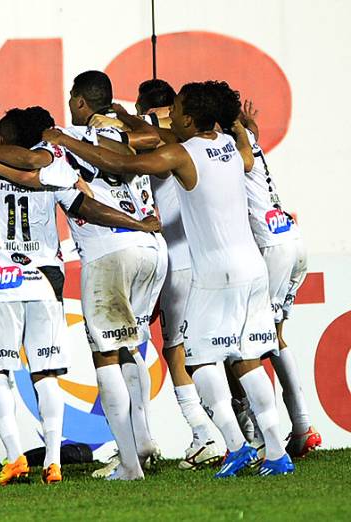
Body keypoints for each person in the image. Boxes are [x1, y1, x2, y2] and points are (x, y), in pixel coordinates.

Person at [43, 80, 294, 477]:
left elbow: (121, 165)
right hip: (253, 269)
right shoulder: (231, 146)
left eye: (176, 108)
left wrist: (65, 141)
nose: (170, 113)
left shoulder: (181, 154)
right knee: (247, 359)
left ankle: (233, 444)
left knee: (199, 360)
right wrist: (241, 125)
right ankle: (277, 452)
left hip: (215, 273)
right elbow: (243, 149)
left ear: (190, 119)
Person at [0, 107, 160, 485]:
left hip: (1, 281)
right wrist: (137, 223)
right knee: (46, 373)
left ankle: (14, 457)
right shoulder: (56, 170)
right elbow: (88, 208)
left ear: (4, 139)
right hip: (45, 280)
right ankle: (52, 460)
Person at [0, 71, 166, 480]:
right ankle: (142, 435)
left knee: (105, 354)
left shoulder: (57, 148)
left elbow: (69, 196)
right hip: (151, 250)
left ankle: (130, 463)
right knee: (131, 344)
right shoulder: (114, 137)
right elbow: (151, 140)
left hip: (106, 249)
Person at [133, 79, 224, 470]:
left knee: (174, 349)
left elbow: (131, 152)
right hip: (200, 254)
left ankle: (203, 434)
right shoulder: (203, 139)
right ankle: (242, 433)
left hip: (173, 259)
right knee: (211, 347)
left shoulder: (154, 136)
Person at [238, 100, 321, 458]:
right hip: (290, 237)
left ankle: (259, 437)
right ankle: (301, 427)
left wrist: (238, 127)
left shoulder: (232, 145)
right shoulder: (245, 139)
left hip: (273, 247)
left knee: (250, 341)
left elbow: (240, 159)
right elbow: (248, 146)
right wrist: (245, 127)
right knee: (275, 337)